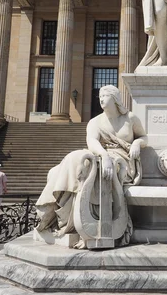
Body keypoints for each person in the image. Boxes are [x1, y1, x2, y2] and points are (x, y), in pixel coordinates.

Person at [35, 85, 147, 246]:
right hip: (102, 155)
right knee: (70, 163)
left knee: (89, 167)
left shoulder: (130, 118)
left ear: (115, 98)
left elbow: (144, 136)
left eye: (105, 96)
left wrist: (137, 142)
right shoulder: (95, 122)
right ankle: (64, 217)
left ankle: (89, 224)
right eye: (100, 96)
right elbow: (92, 141)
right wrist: (104, 155)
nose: (101, 99)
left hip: (123, 161)